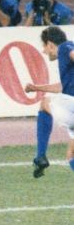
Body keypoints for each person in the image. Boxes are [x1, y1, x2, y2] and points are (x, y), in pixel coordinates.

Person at [24, 26, 74, 178]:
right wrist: (36, 88)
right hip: (70, 105)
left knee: (45, 103)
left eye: (44, 46)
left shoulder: (65, 47)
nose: (44, 51)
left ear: (51, 44)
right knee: (71, 155)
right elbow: (63, 87)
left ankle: (40, 156)